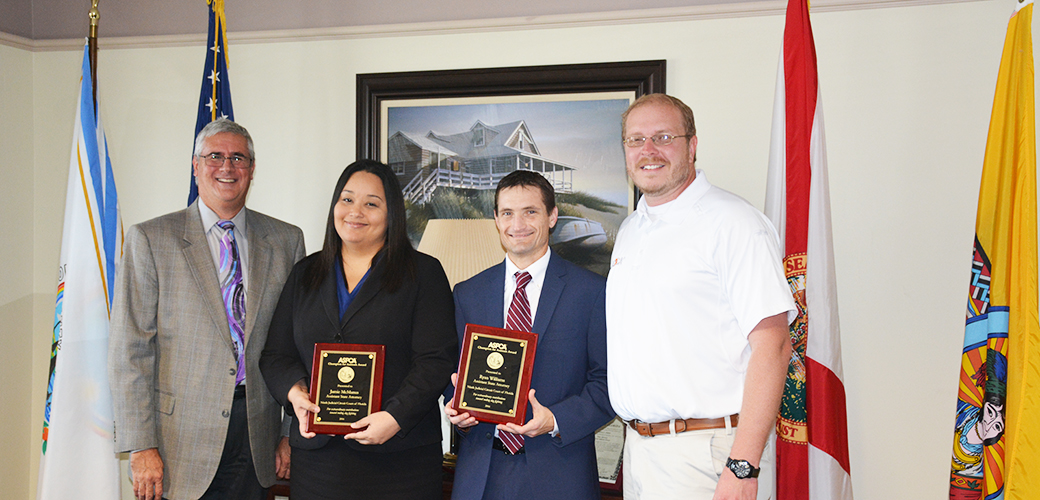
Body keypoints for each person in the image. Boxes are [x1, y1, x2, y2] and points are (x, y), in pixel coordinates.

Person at [606, 93, 795, 500]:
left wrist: (743, 466)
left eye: (663, 137)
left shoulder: (733, 223)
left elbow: (774, 345)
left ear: (692, 145)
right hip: (641, 452)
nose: (648, 151)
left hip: (709, 454)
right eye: (635, 140)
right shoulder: (631, 230)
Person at [109, 118, 305, 500]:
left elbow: (294, 346)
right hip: (176, 444)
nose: (227, 167)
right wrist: (140, 445)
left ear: (252, 170)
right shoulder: (151, 239)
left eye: (239, 158)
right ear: (195, 165)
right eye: (215, 156)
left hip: (257, 435)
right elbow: (129, 350)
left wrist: (288, 432)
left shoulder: (286, 241)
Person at [259, 159, 457, 500]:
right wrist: (296, 395)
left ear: (392, 213)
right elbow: (276, 355)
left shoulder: (423, 273)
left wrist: (395, 417)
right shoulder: (305, 274)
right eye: (347, 199)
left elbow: (436, 360)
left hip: (399, 461)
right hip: (318, 463)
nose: (355, 212)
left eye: (371, 203)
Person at [445, 170, 614, 500]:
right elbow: (453, 377)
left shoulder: (591, 292)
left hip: (560, 474)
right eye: (507, 213)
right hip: (480, 474)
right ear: (495, 219)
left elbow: (608, 382)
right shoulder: (468, 294)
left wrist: (554, 419)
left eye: (530, 212)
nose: (517, 224)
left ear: (552, 217)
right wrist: (459, 413)